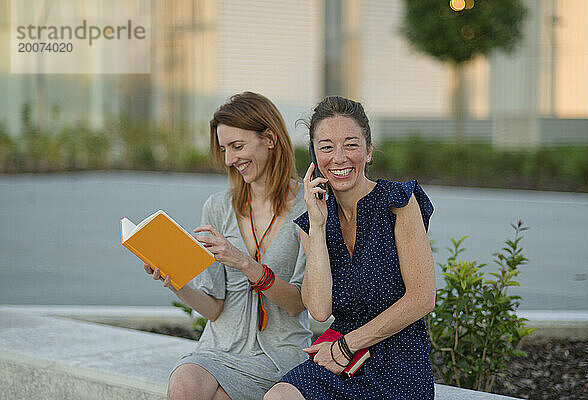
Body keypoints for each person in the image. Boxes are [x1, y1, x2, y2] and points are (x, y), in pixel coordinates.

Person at [264, 96, 436, 399]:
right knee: (278, 396)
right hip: (339, 360)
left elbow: (422, 298)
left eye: (351, 145)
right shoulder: (312, 223)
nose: (339, 158)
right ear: (315, 156)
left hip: (398, 357)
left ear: (369, 151)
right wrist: (317, 228)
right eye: (327, 147)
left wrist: (348, 344)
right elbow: (318, 309)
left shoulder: (398, 203)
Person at [144, 92, 313, 400]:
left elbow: (298, 303)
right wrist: (176, 282)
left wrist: (245, 263)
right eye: (224, 149)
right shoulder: (218, 208)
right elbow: (213, 307)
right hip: (219, 349)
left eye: (237, 146)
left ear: (270, 139)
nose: (229, 160)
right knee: (183, 384)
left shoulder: (308, 207)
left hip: (280, 353)